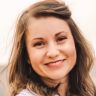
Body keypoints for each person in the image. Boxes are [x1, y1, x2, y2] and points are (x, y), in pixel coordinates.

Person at [8, 0, 96, 96]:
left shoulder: (87, 91)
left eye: (61, 38)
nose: (53, 52)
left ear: (76, 42)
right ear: (26, 55)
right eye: (39, 44)